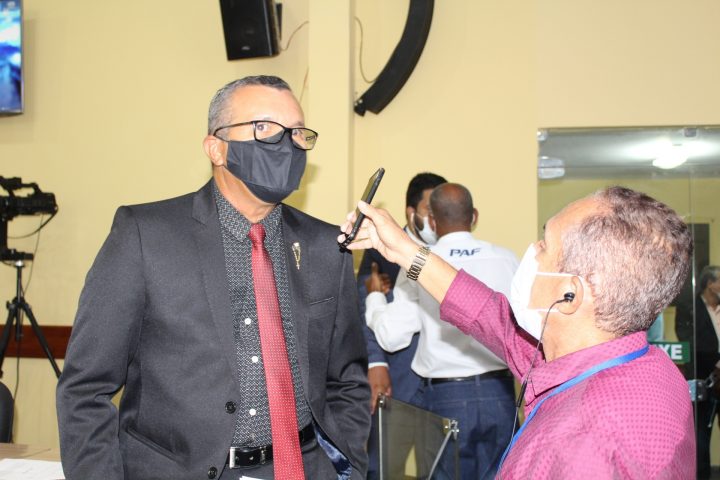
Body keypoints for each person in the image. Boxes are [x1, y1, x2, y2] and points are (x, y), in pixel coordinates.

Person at [56, 75, 370, 480]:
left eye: (296, 132)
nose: (286, 144)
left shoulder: (327, 246)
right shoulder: (144, 236)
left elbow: (348, 380)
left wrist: (350, 466)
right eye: (264, 128)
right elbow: (86, 389)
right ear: (216, 148)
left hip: (302, 467)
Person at [339, 186, 695, 478]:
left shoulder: (575, 442)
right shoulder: (642, 365)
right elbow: (486, 314)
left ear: (569, 294)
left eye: (544, 244)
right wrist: (404, 250)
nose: (532, 251)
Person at [365, 183, 518, 479]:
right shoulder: (507, 259)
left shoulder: (421, 263)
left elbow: (392, 336)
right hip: (500, 394)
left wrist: (374, 297)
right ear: (474, 216)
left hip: (446, 396)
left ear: (432, 222)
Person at [356, 172, 446, 480]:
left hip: (441, 385)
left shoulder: (447, 251)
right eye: (429, 210)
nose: (436, 219)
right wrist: (376, 363)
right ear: (411, 212)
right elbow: (363, 302)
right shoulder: (381, 249)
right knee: (383, 466)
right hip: (396, 376)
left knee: (439, 469)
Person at [676, 265, 720, 479]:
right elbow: (689, 342)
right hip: (704, 379)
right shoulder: (691, 308)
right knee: (702, 434)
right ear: (710, 284)